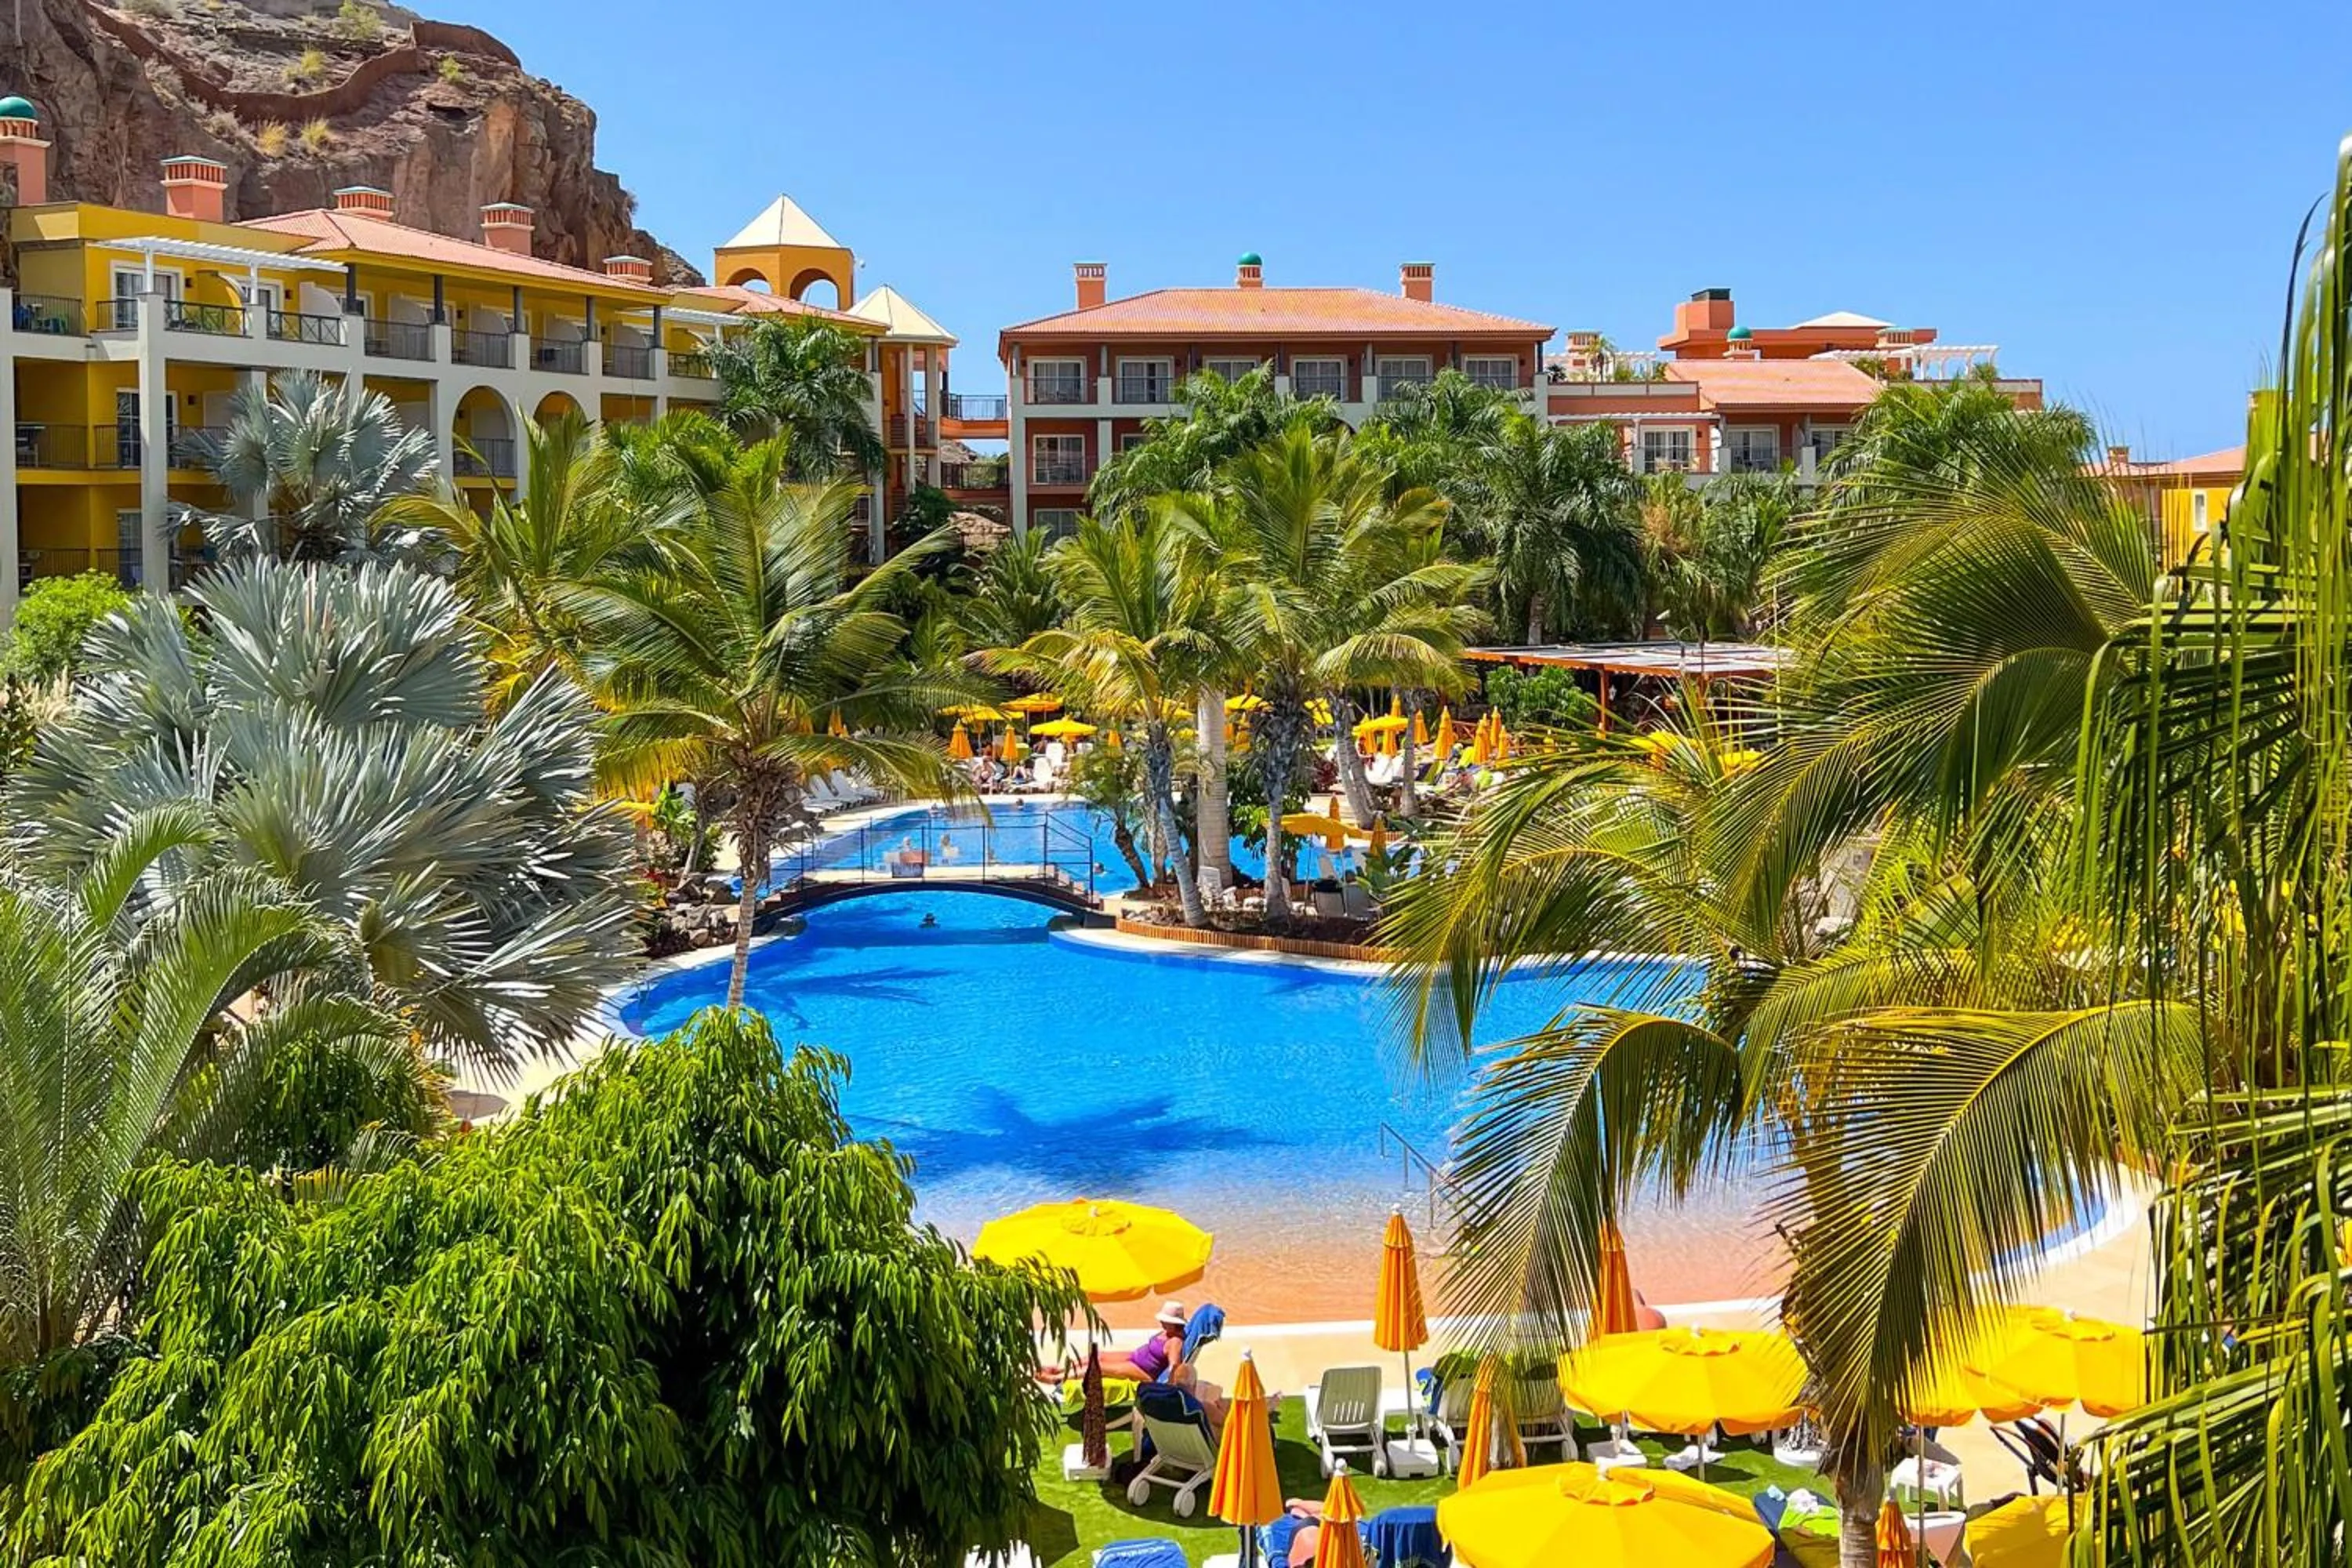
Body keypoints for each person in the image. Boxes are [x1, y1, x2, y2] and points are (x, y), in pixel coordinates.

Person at [1095, 1301, 1228, 1429]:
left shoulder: (1175, 1342)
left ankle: (1074, 1376)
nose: (1161, 1322)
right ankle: (1073, 1365)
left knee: (1099, 1366)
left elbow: (1174, 1367)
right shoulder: (1168, 1332)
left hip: (1144, 1370)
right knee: (1099, 1356)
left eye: (1165, 1321)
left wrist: (1168, 1390)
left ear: (1174, 1323)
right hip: (1136, 1357)